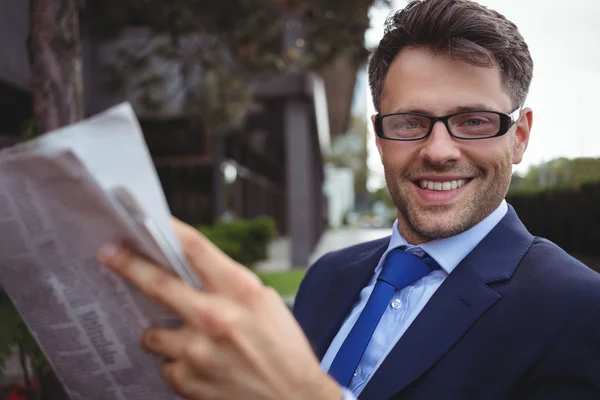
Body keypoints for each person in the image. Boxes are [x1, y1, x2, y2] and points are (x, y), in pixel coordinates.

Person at [97, 0, 600, 399]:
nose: (438, 150)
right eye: (409, 122)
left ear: (520, 136)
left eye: (473, 121)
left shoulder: (579, 310)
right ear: (379, 138)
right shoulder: (327, 276)